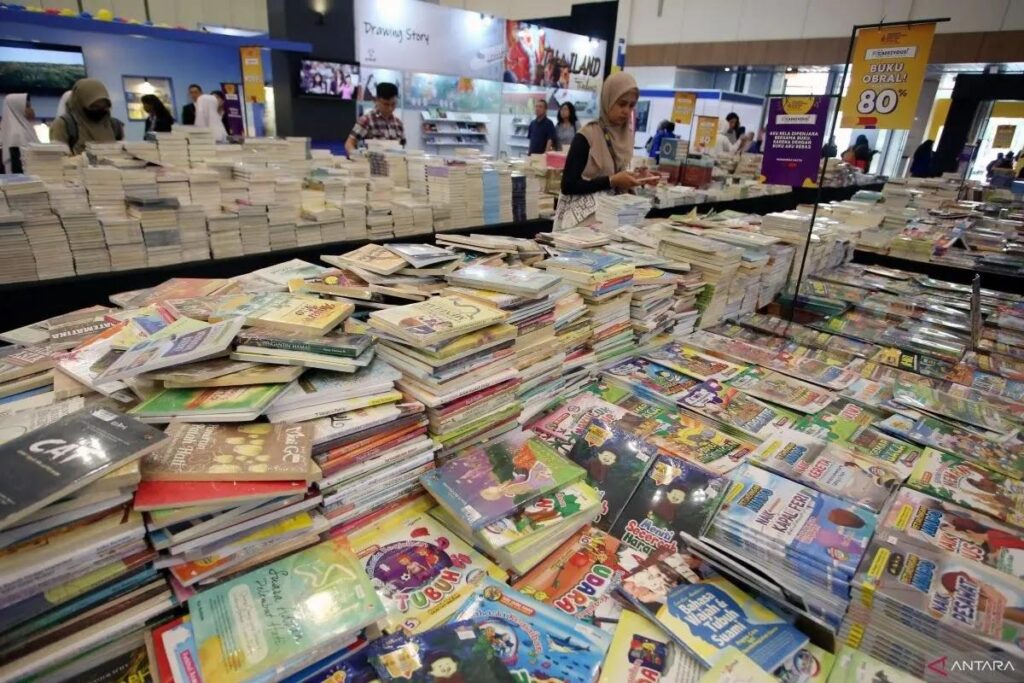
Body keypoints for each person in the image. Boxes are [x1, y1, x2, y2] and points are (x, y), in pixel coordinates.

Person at [556, 72, 658, 229]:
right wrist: (612, 181)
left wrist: (639, 177)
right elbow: (568, 185)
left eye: (631, 105)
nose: (626, 111)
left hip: (612, 221)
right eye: (622, 104)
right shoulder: (587, 135)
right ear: (608, 100)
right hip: (583, 225)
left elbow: (617, 172)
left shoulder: (625, 136)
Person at [50, 78, 125, 155]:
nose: (100, 110)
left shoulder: (115, 126)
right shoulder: (64, 125)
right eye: (94, 106)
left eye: (104, 106)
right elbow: (58, 159)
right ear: (80, 104)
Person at [346, 82, 404, 155]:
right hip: (371, 164)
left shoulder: (398, 124)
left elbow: (402, 147)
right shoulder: (366, 120)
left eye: (393, 104)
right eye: (386, 104)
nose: (390, 108)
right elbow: (349, 144)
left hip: (394, 164)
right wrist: (357, 157)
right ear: (376, 100)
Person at [0, 94, 38, 174]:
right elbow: (17, 169)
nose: (32, 110)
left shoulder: (24, 128)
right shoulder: (16, 135)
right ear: (18, 108)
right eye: (27, 106)